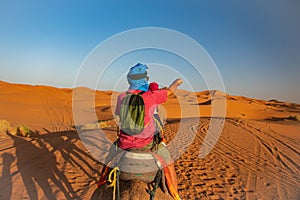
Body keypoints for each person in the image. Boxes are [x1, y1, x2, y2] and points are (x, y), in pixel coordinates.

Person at [100, 63, 182, 199]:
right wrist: (176, 82)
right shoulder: (151, 96)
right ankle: (175, 194)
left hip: (123, 145)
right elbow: (170, 91)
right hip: (147, 146)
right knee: (169, 163)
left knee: (108, 158)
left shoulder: (122, 98)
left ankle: (101, 183)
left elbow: (120, 118)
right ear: (144, 79)